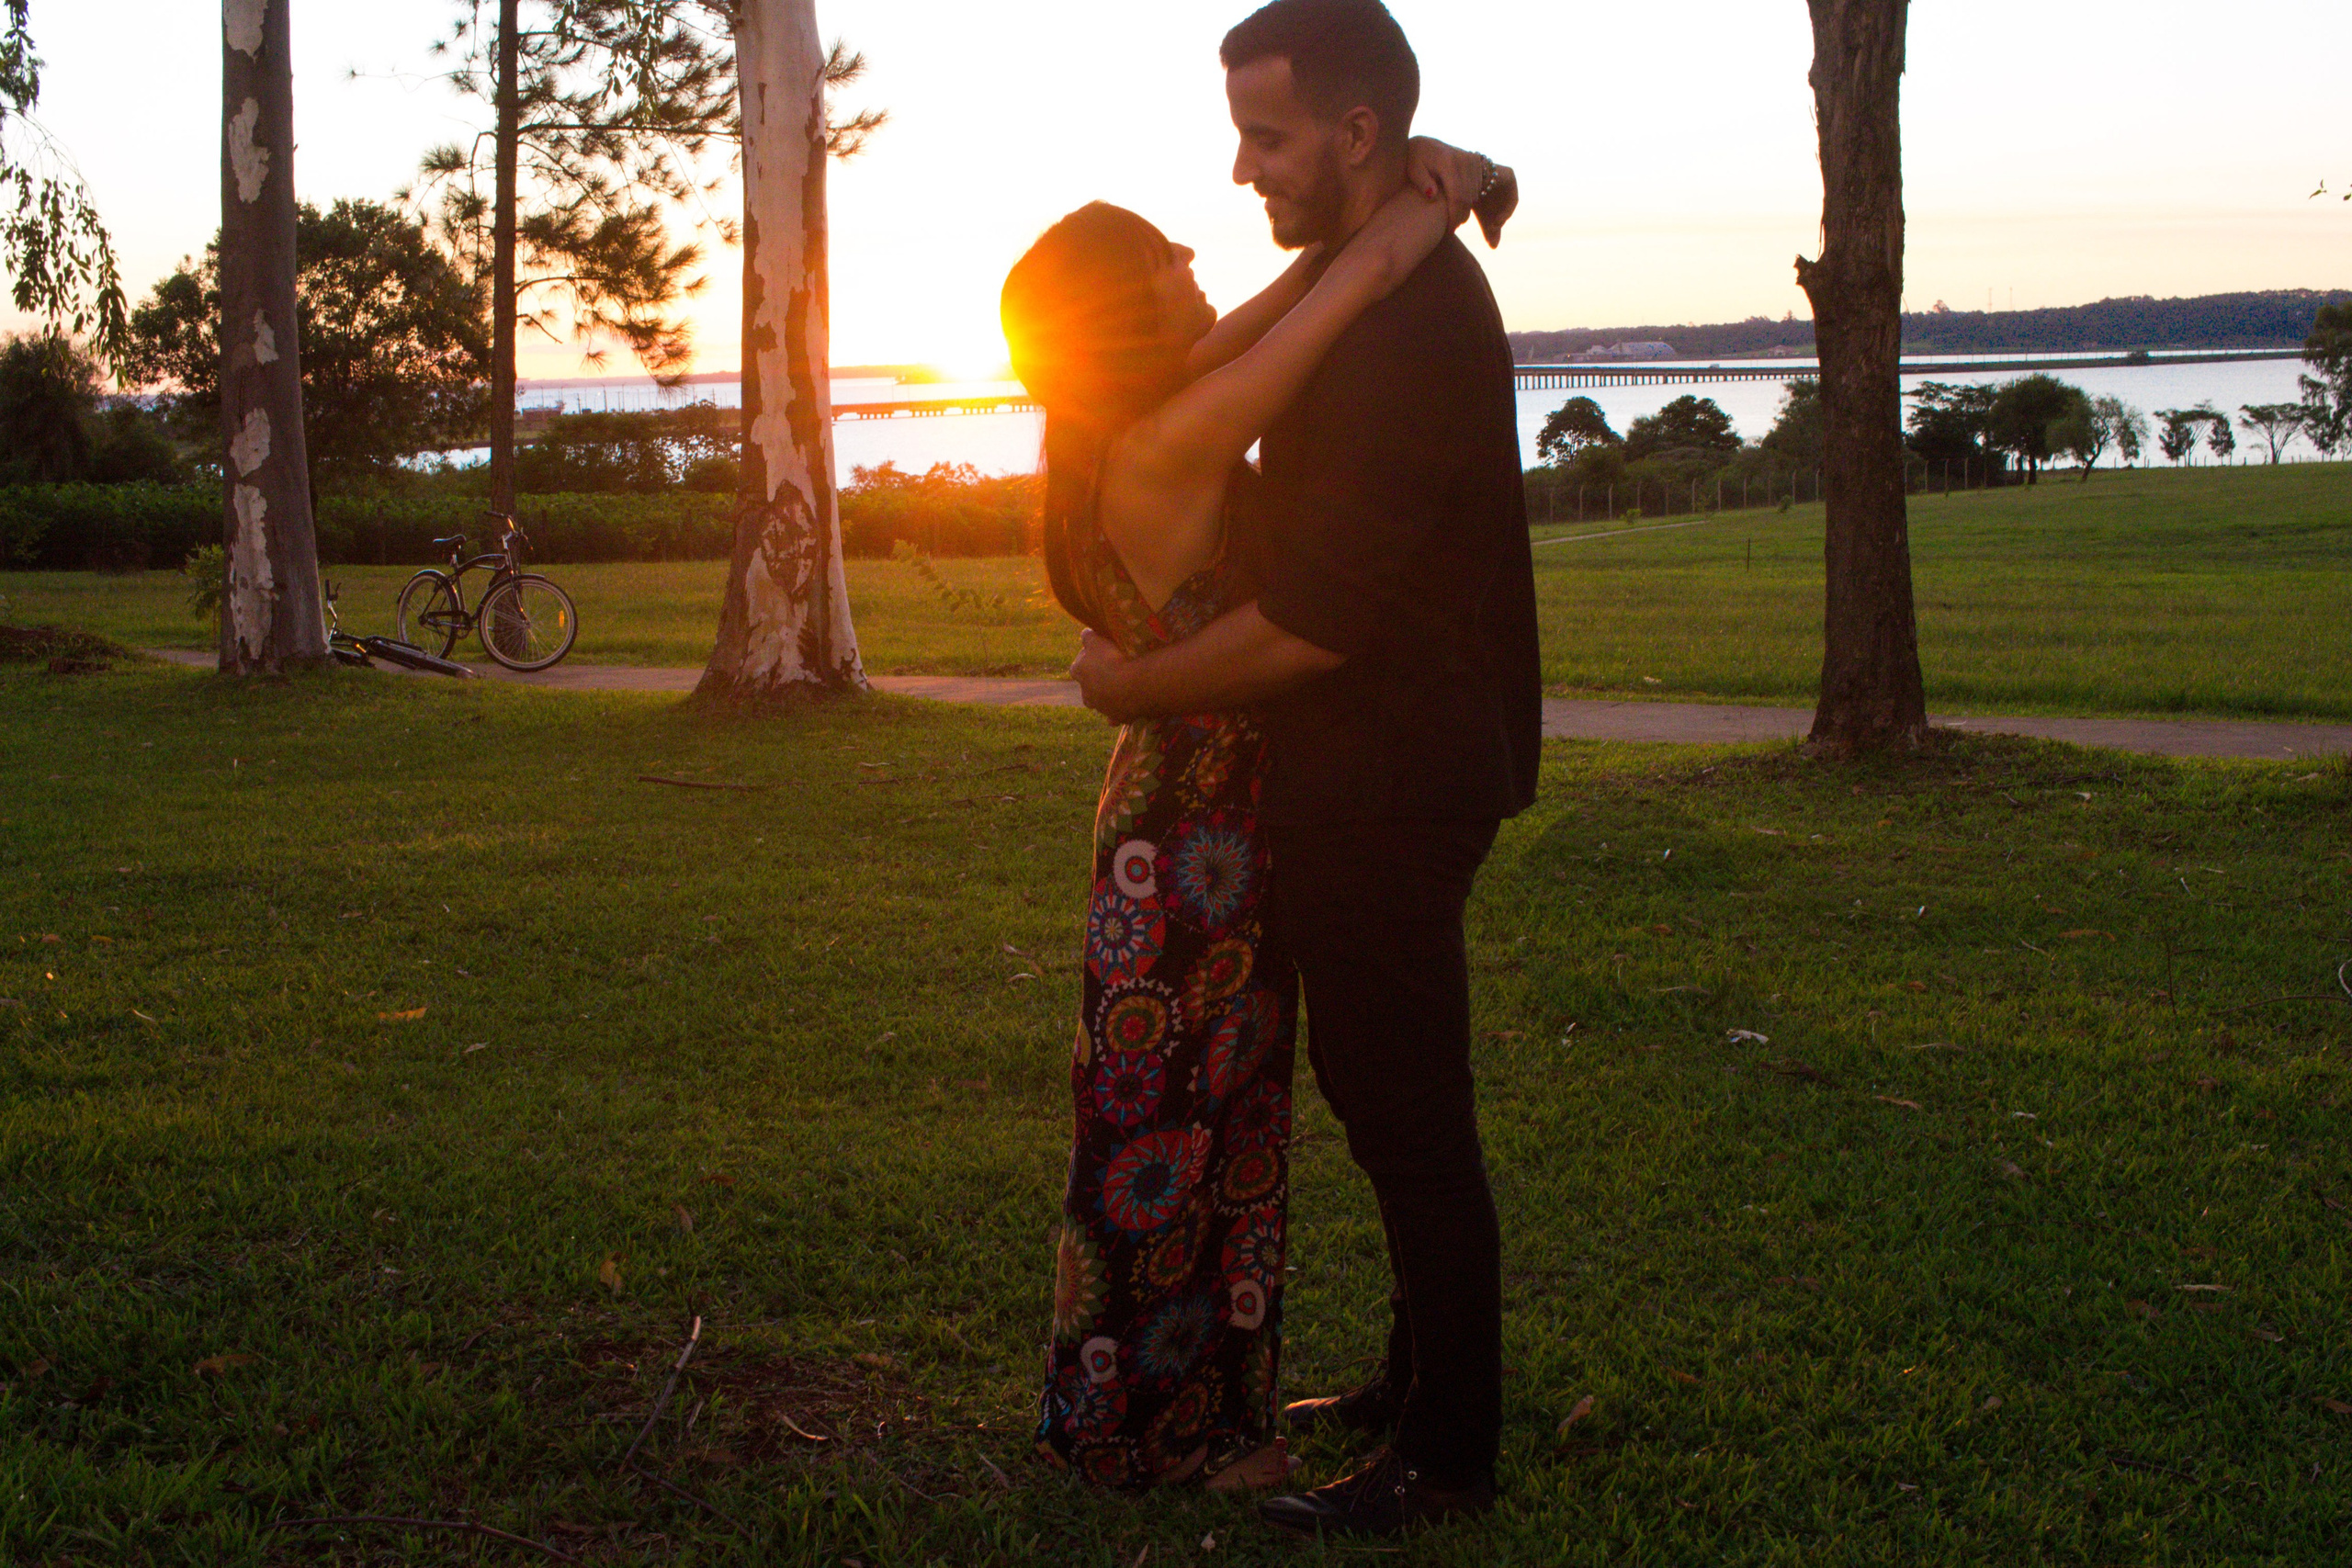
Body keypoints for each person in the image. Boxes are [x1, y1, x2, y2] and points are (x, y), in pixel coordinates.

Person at [1067, 0, 1543, 1537]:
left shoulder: (1407, 319)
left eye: (1267, 136)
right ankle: (1419, 1387)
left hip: (1398, 766)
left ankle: (1450, 1456)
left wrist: (1129, 685)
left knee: (1406, 1111)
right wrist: (1437, 187)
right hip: (1362, 767)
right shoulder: (1361, 290)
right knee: (1377, 1094)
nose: (1240, 171)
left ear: (1350, 134)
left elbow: (1324, 620)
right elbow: (1318, 291)